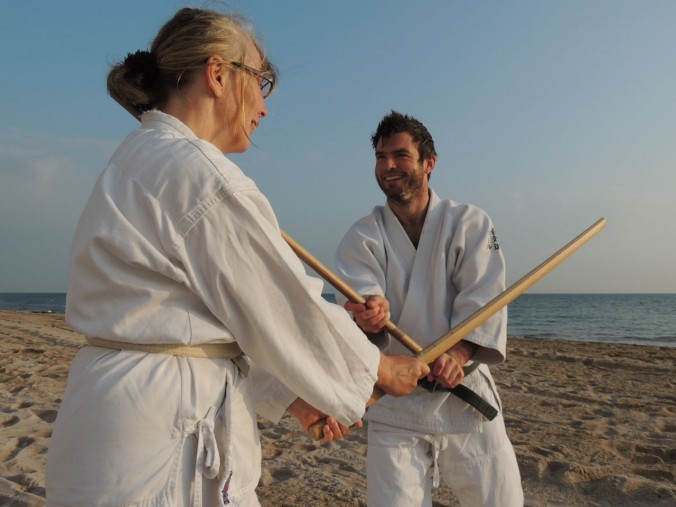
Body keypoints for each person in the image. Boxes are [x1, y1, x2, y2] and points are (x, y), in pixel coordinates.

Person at [45, 10, 429, 507]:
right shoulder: (197, 172)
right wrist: (377, 370)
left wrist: (293, 396)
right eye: (262, 80)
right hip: (159, 436)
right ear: (219, 74)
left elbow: (209, 318)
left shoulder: (139, 157)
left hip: (114, 412)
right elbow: (280, 306)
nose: (265, 108)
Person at [335, 111, 524, 506]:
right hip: (395, 399)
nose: (388, 166)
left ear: (429, 164)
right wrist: (370, 314)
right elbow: (359, 296)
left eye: (401, 155)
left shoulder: (470, 224)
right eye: (381, 156)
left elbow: (484, 297)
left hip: (463, 392)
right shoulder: (363, 234)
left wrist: (459, 352)